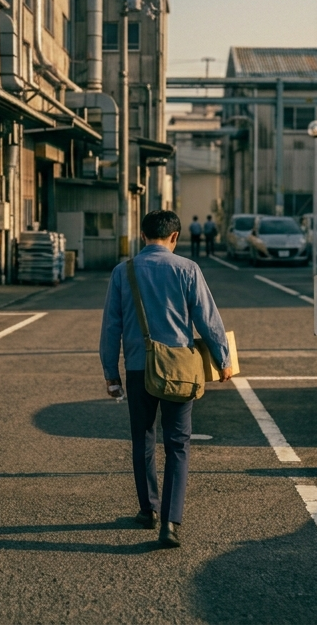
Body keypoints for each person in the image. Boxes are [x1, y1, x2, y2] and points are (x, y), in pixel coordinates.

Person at [99, 210, 231, 548]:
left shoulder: (122, 272)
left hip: (139, 368)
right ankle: (170, 523)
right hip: (180, 369)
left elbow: (111, 327)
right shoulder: (187, 269)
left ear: (142, 236)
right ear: (175, 237)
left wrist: (111, 374)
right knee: (178, 444)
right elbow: (207, 318)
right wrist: (223, 359)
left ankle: (148, 511)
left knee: (143, 439)